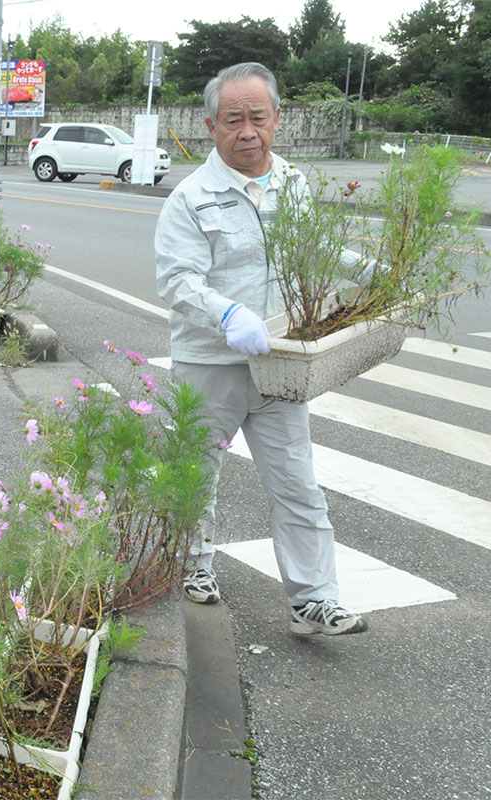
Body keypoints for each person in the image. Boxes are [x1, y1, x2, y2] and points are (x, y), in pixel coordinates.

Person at [154, 63, 366, 636]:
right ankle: (193, 566)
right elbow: (176, 280)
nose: (247, 131)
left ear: (277, 118)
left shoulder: (293, 183)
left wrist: (362, 268)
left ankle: (314, 600)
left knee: (297, 481)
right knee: (195, 474)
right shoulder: (192, 198)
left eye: (258, 117)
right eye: (233, 120)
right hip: (210, 363)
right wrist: (225, 312)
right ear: (210, 126)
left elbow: (311, 250)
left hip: (280, 364)